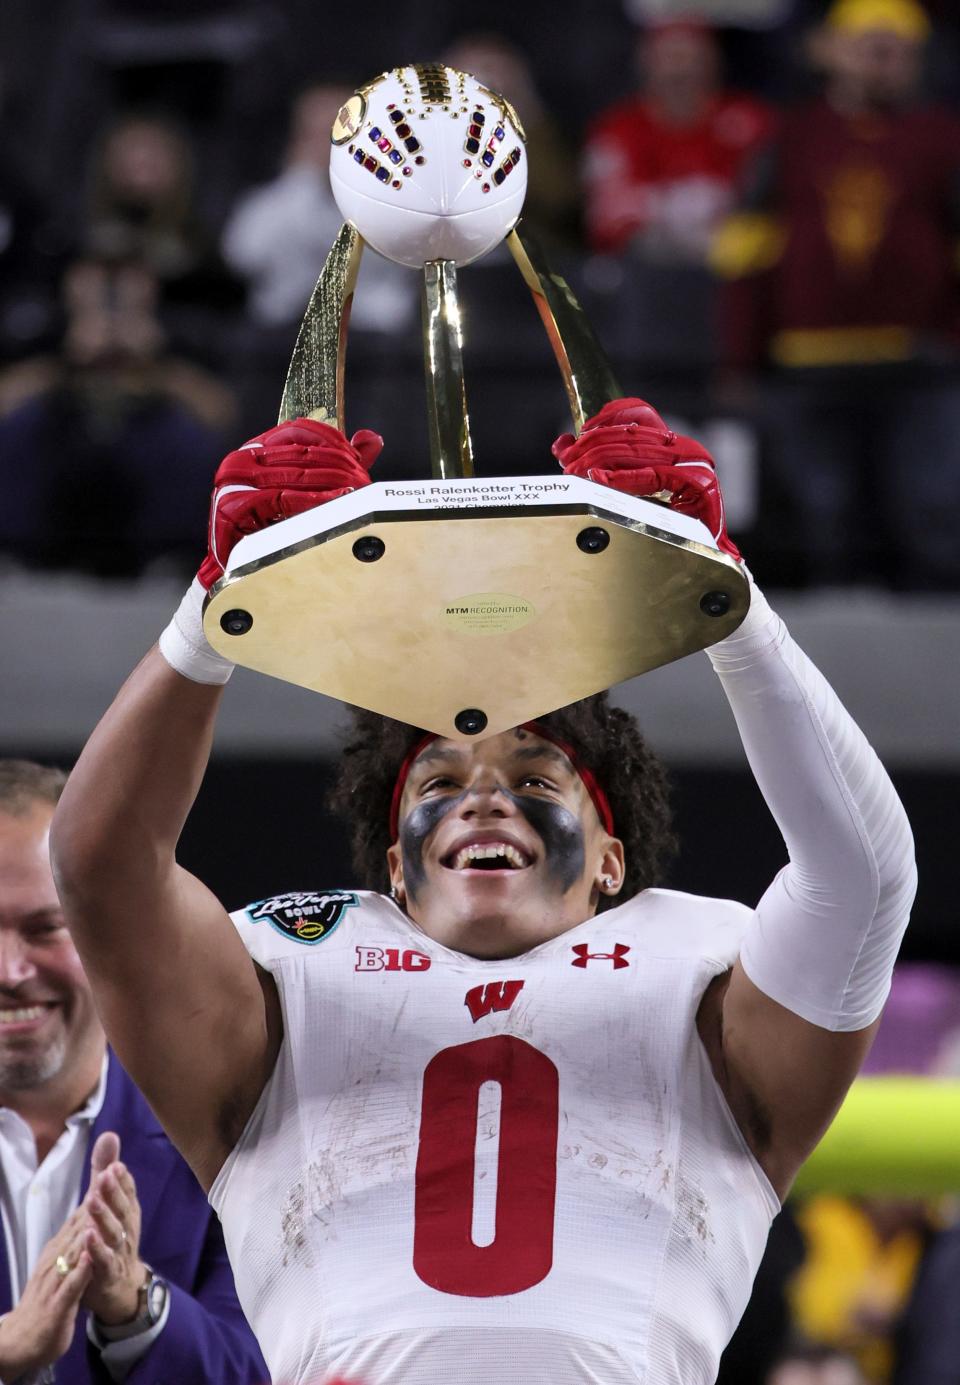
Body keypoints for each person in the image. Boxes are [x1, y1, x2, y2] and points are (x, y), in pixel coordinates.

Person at [49, 398, 916, 1385]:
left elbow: (865, 874)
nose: (485, 800)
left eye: (537, 780)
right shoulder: (288, 972)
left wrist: (722, 596)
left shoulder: (707, 975)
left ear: (611, 861)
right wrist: (215, 611)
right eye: (441, 783)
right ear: (391, 868)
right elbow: (100, 864)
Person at [0, 759, 268, 1384]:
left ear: (110, 930)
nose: (11, 972)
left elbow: (272, 1370)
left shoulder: (225, 1127)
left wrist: (137, 1309)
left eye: (45, 928)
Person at [711, 0, 960, 587]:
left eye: (898, 49)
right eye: (869, 44)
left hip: (920, 366)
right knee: (821, 522)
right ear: (829, 51)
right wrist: (738, 359)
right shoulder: (789, 138)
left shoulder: (945, 139)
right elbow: (744, 256)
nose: (883, 59)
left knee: (932, 516)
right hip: (807, 367)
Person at [583, 18, 774, 261]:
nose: (680, 70)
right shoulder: (615, 132)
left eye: (692, 57)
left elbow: (774, 212)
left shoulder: (751, 122)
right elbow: (607, 226)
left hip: (737, 272)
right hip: (647, 276)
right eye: (668, 57)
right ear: (645, 64)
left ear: (713, 62)